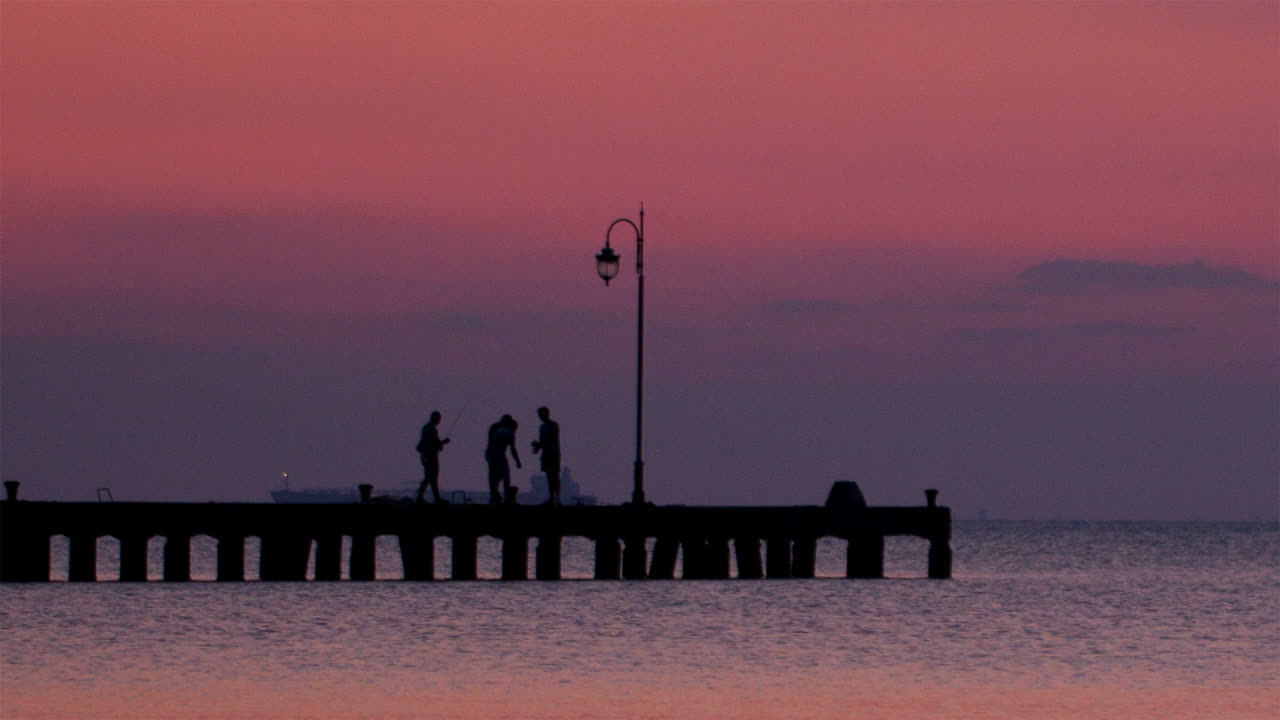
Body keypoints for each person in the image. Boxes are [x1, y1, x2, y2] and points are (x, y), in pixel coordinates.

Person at [484, 414, 521, 504]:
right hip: (498, 456)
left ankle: (494, 497)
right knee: (506, 476)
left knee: (494, 477)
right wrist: (518, 461)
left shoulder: (496, 429)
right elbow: (513, 449)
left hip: (490, 454)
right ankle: (507, 498)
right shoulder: (509, 433)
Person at [415, 411, 450, 504]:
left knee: (428, 477)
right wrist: (444, 442)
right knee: (432, 478)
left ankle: (422, 497)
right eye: (439, 418)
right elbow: (435, 443)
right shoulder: (432, 429)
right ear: (436, 419)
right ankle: (435, 499)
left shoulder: (425, 427)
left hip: (425, 456)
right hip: (431, 456)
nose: (440, 420)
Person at [531, 406, 561, 505]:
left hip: (553, 454)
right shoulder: (542, 427)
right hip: (546, 454)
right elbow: (542, 441)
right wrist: (537, 447)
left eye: (541, 414)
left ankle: (557, 499)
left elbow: (550, 440)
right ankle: (551, 498)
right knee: (549, 476)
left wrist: (539, 445)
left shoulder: (553, 425)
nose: (540, 416)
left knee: (554, 476)